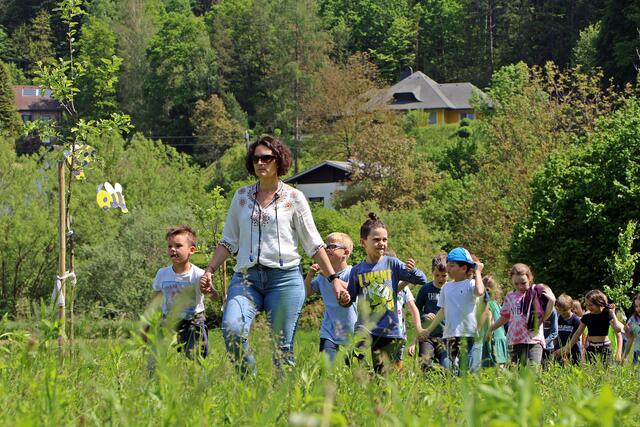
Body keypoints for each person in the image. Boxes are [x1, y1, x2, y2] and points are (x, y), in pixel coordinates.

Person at [199, 136, 347, 376]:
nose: (260, 163)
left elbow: (314, 243)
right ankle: (251, 384)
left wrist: (334, 279)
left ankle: (283, 396)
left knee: (282, 349)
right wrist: (209, 270)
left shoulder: (294, 198)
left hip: (284, 280)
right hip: (246, 279)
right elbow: (228, 241)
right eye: (256, 158)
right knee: (232, 329)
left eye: (266, 158)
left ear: (278, 161)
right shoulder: (241, 197)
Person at [339, 213, 428, 374]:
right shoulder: (357, 270)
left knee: (382, 374)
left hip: (388, 329)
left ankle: (374, 380)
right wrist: (344, 298)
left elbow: (422, 279)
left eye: (384, 240)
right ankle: (366, 376)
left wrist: (412, 270)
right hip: (365, 327)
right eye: (376, 240)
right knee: (351, 359)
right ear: (363, 242)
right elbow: (349, 299)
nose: (381, 243)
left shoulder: (392, 264)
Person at [147, 225, 212, 360]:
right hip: (168, 319)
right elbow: (156, 298)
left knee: (196, 356)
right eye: (169, 246)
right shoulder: (162, 274)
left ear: (191, 250)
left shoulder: (199, 274)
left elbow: (213, 295)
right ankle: (153, 373)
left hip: (193, 321)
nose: (172, 249)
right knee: (155, 355)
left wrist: (209, 290)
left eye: (178, 246)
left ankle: (197, 373)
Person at [418, 247, 486, 374]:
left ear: (464, 268)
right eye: (448, 264)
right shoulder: (446, 287)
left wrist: (478, 272)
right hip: (449, 335)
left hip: (468, 334)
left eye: (452, 265)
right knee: (447, 367)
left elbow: (480, 291)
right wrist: (429, 329)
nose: (448, 268)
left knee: (467, 370)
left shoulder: (471, 284)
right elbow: (442, 311)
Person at [486, 263, 556, 366]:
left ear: (529, 278)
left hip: (534, 341)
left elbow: (544, 317)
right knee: (518, 373)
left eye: (523, 283)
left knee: (532, 371)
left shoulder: (536, 294)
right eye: (516, 284)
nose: (520, 286)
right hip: (514, 342)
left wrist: (552, 301)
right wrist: (491, 329)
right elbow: (505, 317)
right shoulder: (510, 296)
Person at [304, 232, 357, 363]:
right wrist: (310, 275)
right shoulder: (321, 276)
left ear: (345, 252)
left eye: (332, 246)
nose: (327, 249)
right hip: (329, 331)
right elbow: (306, 293)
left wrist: (332, 278)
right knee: (327, 367)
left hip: (353, 331)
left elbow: (354, 289)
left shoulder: (353, 272)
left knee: (354, 370)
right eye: (325, 246)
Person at [556, 290, 624, 364]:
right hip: (591, 348)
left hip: (605, 348)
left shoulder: (607, 314)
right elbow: (577, 333)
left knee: (606, 370)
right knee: (591, 370)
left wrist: (612, 313)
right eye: (587, 305)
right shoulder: (586, 317)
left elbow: (618, 329)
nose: (588, 307)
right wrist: (567, 348)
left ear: (599, 303)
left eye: (591, 305)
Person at [410, 254, 449, 370]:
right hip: (427, 335)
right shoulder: (425, 289)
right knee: (425, 363)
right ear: (432, 272)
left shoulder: (451, 290)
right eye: (437, 275)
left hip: (446, 336)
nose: (440, 278)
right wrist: (424, 316)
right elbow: (416, 310)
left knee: (447, 367)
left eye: (444, 275)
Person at [481, 276, 508, 367]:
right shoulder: (498, 305)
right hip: (501, 338)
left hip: (492, 339)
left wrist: (488, 334)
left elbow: (489, 318)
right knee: (500, 367)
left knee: (490, 368)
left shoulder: (487, 304)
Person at [554, 293, 582, 365]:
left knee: (575, 369)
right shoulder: (558, 319)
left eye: (564, 310)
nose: (562, 312)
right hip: (559, 350)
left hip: (574, 350)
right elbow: (555, 335)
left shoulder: (576, 320)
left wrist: (565, 350)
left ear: (571, 307)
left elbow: (576, 338)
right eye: (559, 310)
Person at [622, 293, 640, 364]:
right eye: (636, 306)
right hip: (638, 352)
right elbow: (630, 338)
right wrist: (625, 356)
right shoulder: (634, 319)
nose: (638, 308)